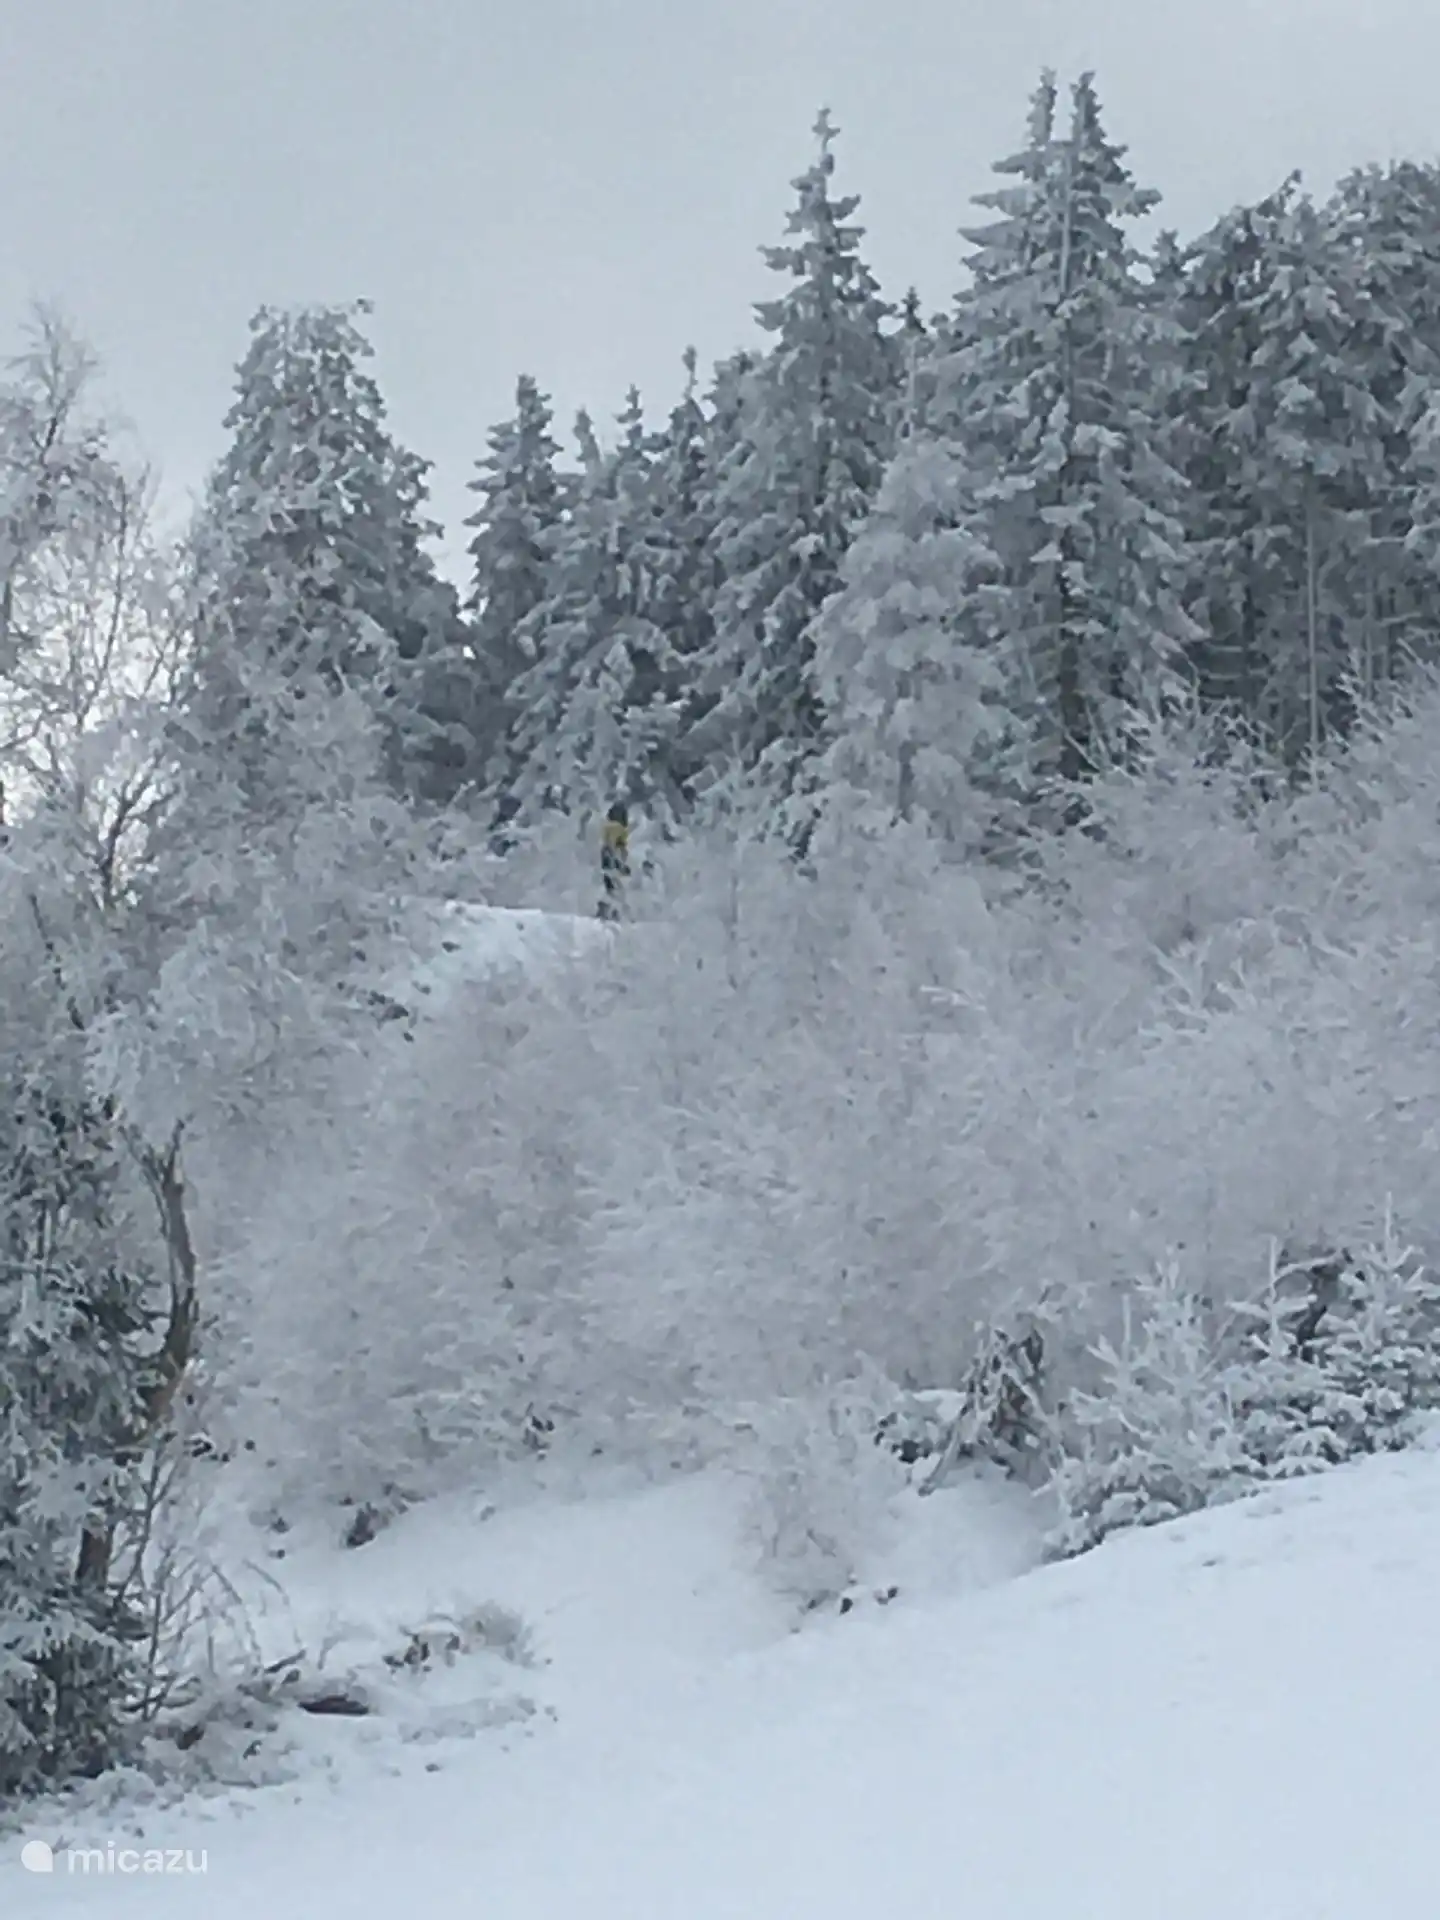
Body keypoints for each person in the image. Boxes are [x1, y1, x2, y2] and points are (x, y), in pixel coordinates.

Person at [598, 801, 630, 920]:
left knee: (610, 885)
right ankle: (613, 912)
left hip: (605, 857)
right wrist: (619, 863)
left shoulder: (607, 826)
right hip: (611, 858)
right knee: (616, 887)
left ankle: (606, 910)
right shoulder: (618, 828)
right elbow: (613, 844)